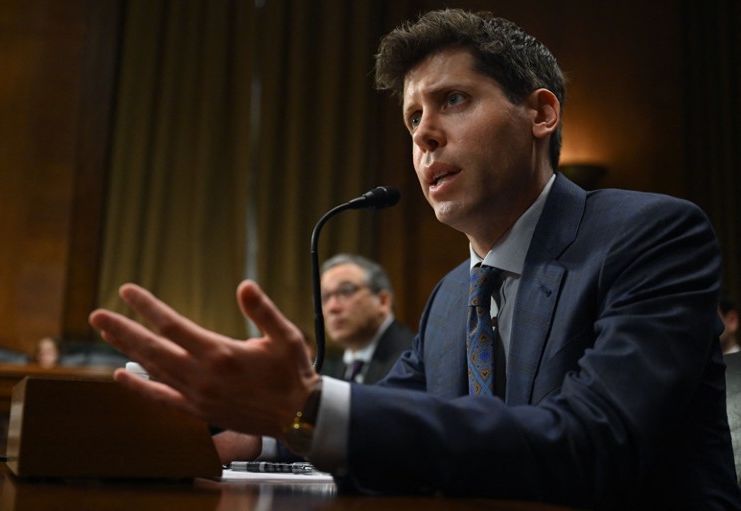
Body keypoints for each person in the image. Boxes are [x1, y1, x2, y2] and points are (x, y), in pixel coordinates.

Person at [88, 9, 741, 510]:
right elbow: (387, 421)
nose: (423, 133)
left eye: (452, 100)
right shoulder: (453, 295)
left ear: (540, 113)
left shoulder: (652, 236)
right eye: (411, 118)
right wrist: (255, 426)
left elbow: (589, 444)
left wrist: (306, 407)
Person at [319, 254, 414, 384]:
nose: (332, 307)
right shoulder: (329, 369)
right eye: (325, 297)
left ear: (383, 301)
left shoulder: (411, 358)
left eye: (346, 291)